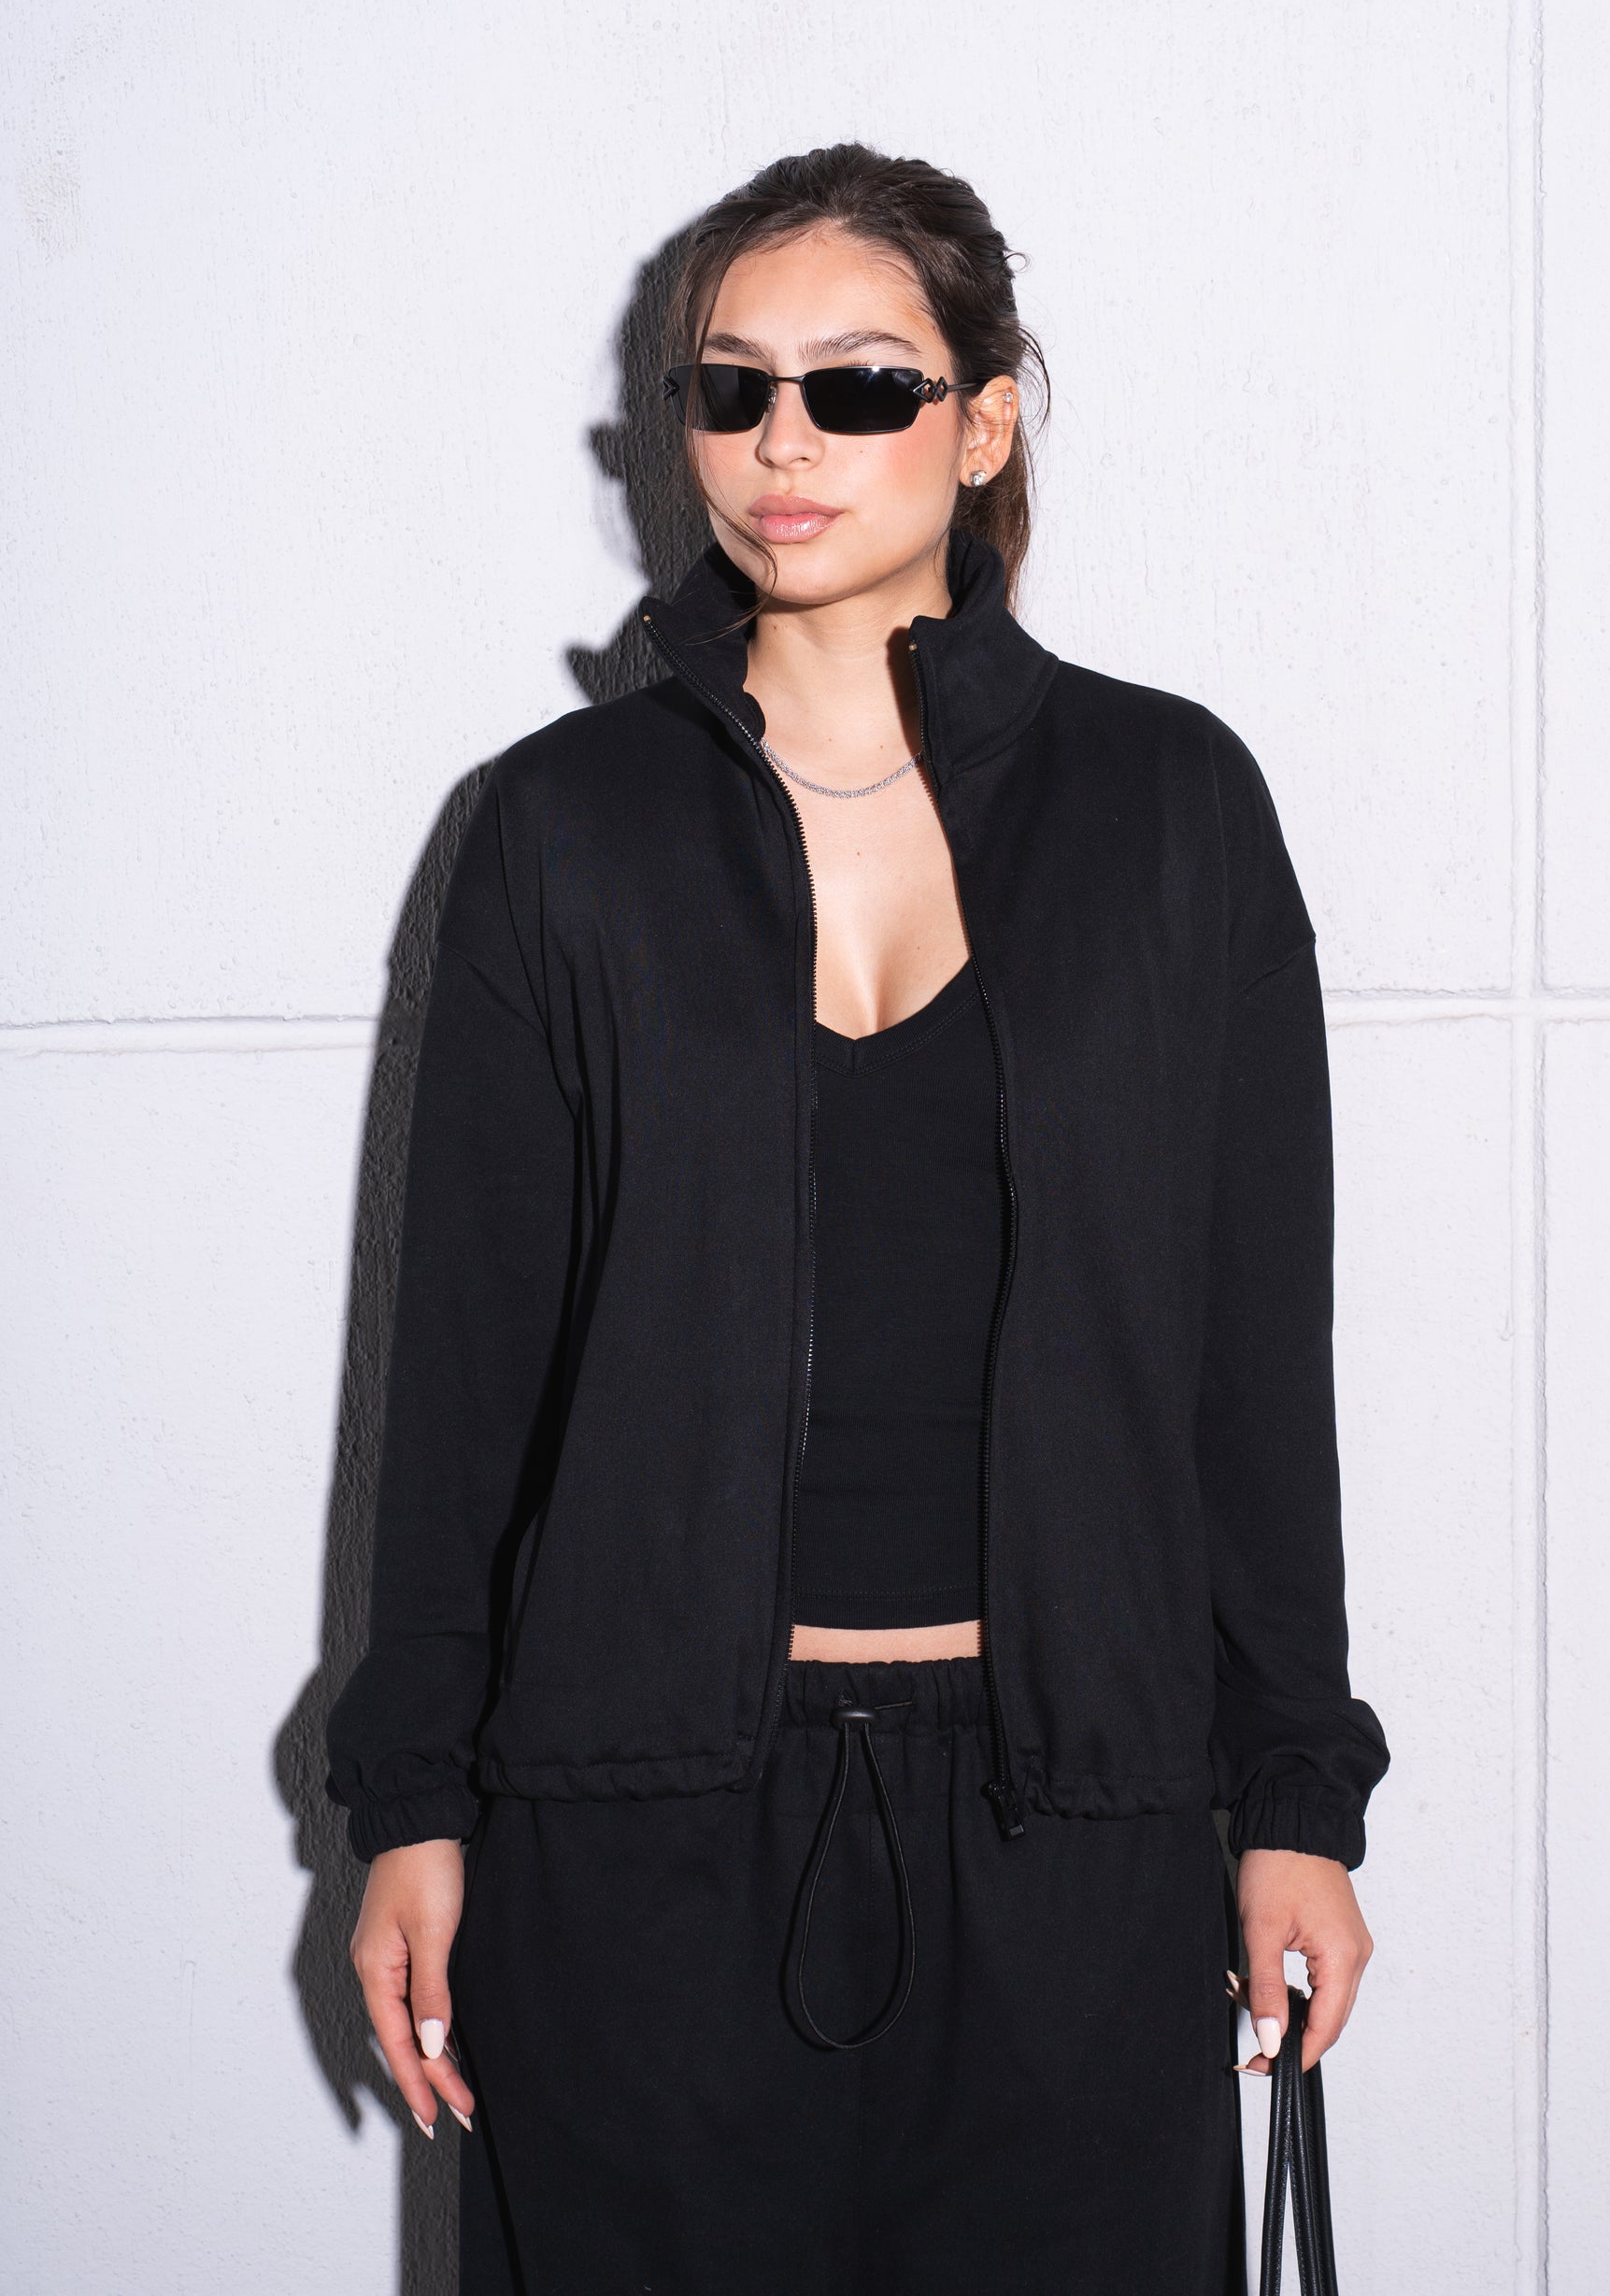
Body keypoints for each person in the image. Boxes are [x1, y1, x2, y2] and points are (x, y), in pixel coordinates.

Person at [326, 141, 1389, 2293]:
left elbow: (1248, 1361)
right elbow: (464, 1373)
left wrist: (1294, 1790)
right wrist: (413, 1795)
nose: (783, 440)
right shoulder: (558, 831)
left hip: (1074, 1823)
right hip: (630, 1825)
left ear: (982, 420)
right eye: (731, 388)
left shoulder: (1169, 807)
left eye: (860, 384)